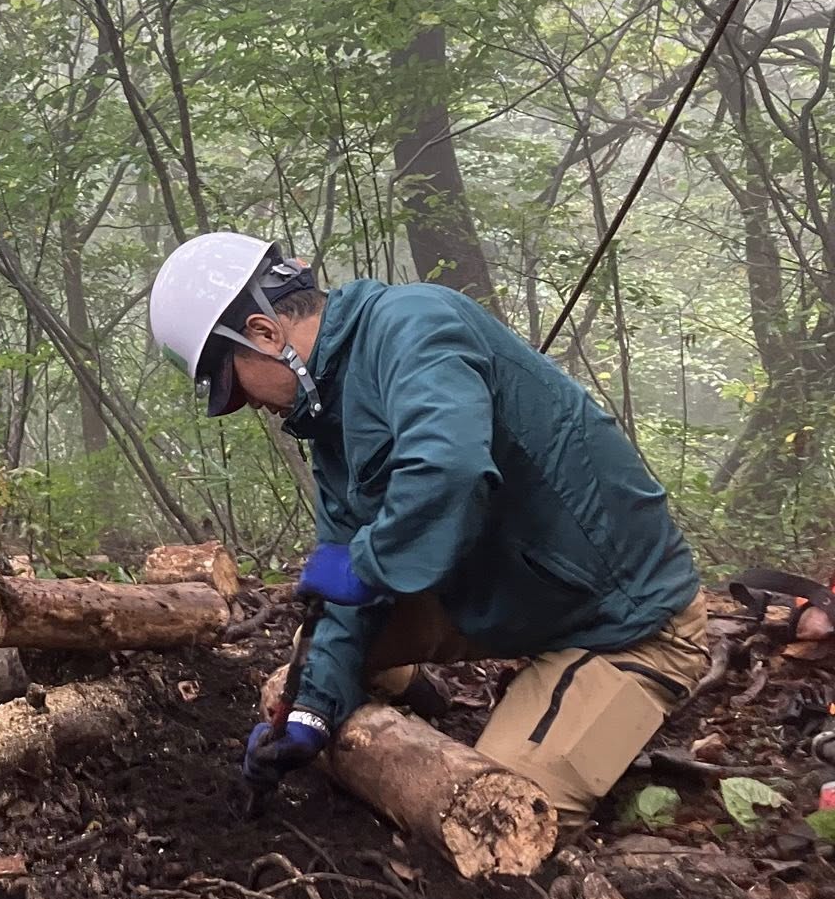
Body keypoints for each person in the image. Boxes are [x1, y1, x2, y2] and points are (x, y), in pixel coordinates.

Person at [148, 233, 707, 829]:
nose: (251, 405)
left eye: (234, 385)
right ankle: (414, 690)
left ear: (263, 333)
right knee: (310, 659)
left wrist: (364, 563)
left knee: (499, 819)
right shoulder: (329, 420)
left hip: (626, 622)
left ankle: (611, 691)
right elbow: (345, 595)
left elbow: (451, 468)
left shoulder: (414, 324)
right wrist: (308, 715)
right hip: (511, 594)